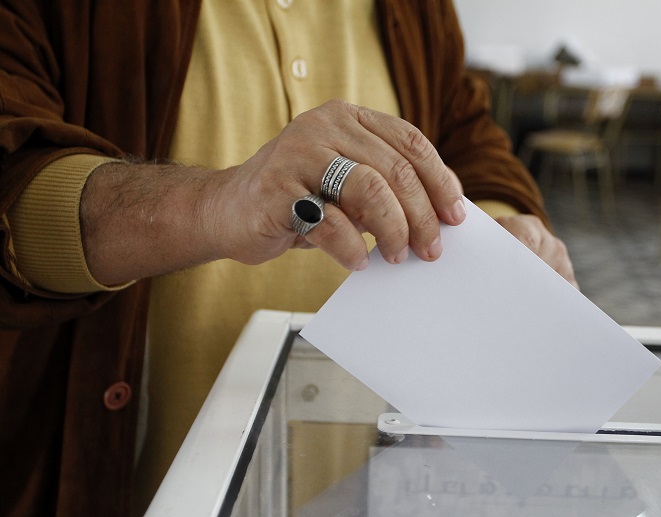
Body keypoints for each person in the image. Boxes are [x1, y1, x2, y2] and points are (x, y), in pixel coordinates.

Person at [0, 1, 576, 514]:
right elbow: (13, 180)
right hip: (139, 481)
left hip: (381, 483)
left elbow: (465, 135)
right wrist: (213, 203)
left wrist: (501, 231)